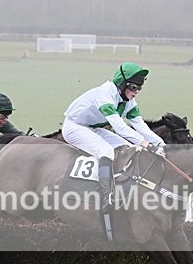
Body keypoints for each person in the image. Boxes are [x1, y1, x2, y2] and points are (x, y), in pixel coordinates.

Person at [62, 62, 164, 214]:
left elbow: (141, 126)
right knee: (106, 151)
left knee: (128, 148)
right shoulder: (104, 95)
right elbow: (120, 127)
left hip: (93, 128)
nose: (136, 92)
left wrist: (161, 144)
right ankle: (106, 196)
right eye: (133, 87)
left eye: (139, 88)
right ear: (122, 84)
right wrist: (146, 144)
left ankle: (122, 185)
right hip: (74, 127)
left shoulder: (128, 101)